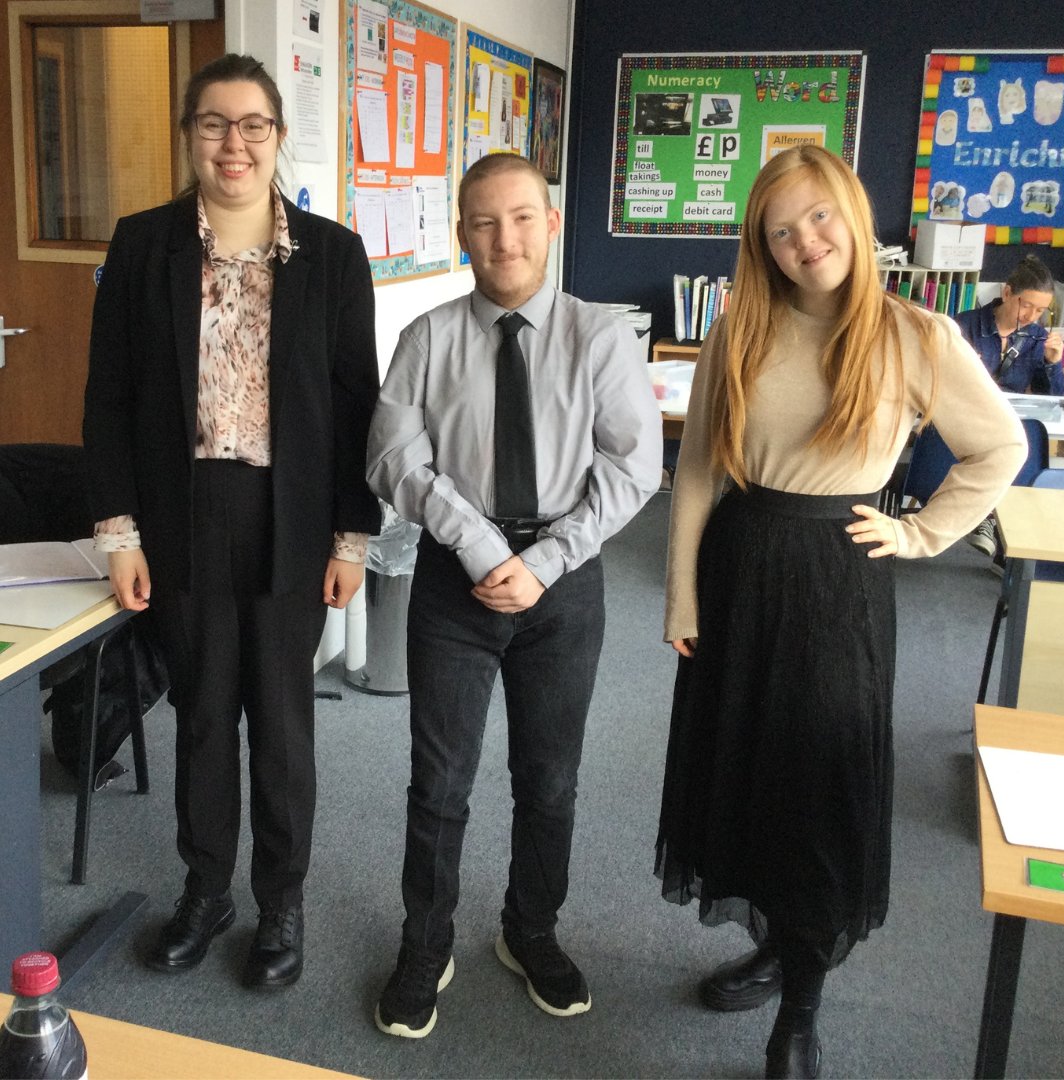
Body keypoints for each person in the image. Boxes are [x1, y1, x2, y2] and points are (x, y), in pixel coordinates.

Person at [656, 146, 1025, 1080]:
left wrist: (921, 535)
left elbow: (999, 450)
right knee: (747, 777)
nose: (803, 242)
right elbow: (697, 467)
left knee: (818, 793)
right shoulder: (742, 327)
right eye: (780, 230)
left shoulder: (916, 337)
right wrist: (681, 592)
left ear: (853, 216)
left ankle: (802, 1016)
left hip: (838, 584)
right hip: (740, 572)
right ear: (762, 245)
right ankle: (781, 944)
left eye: (817, 217)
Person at [83, 54, 380, 988]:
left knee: (283, 724)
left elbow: (354, 406)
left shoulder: (333, 254)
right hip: (183, 513)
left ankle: (280, 903)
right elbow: (111, 401)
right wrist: (119, 533)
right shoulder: (141, 245)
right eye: (214, 124)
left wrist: (350, 538)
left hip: (290, 517)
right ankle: (206, 890)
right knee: (205, 715)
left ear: (279, 134)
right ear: (189, 137)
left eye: (252, 124)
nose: (234, 143)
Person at [366, 153, 661, 1038]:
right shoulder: (426, 338)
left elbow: (634, 466)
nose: (506, 239)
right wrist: (483, 544)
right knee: (439, 783)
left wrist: (547, 559)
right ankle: (427, 942)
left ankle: (530, 930)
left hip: (565, 588)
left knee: (550, 781)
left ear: (552, 223)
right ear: (462, 234)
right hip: (457, 588)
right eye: (485, 222)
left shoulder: (599, 336)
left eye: (523, 217)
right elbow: (391, 458)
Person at [953, 255, 1064, 556]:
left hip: (1009, 426)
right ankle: (990, 518)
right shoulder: (964, 325)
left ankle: (990, 520)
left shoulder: (1038, 338)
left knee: (1024, 442)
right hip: (968, 424)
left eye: (1041, 310)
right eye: (1026, 304)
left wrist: (1053, 364)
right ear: (1007, 293)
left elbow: (1051, 402)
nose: (1032, 315)